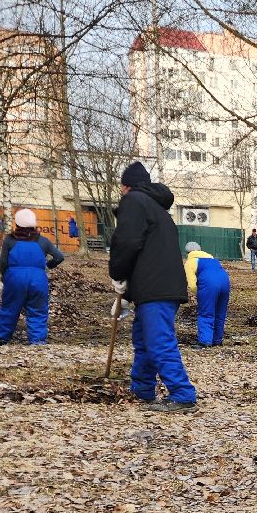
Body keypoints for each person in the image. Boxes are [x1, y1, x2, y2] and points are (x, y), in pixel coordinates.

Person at [109, 161, 197, 413]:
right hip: (160, 285)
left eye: (121, 189)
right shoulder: (157, 209)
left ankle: (182, 394)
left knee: (158, 340)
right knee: (145, 340)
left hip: (154, 286)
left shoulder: (134, 202)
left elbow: (126, 242)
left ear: (126, 187)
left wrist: (118, 274)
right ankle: (142, 389)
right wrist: (127, 293)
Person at [0, 208, 63, 345]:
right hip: (38, 279)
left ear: (17, 224)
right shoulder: (43, 241)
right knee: (38, 310)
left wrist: (5, 277)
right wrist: (48, 265)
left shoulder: (9, 240)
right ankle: (37, 341)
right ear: (34, 224)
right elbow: (59, 257)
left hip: (15, 278)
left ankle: (2, 338)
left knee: (9, 307)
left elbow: (3, 262)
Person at [184, 241, 231, 347]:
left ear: (188, 252)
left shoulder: (190, 262)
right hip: (225, 281)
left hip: (209, 283)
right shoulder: (212, 259)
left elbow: (192, 284)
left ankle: (205, 341)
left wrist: (199, 293)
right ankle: (217, 340)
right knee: (220, 313)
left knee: (206, 312)